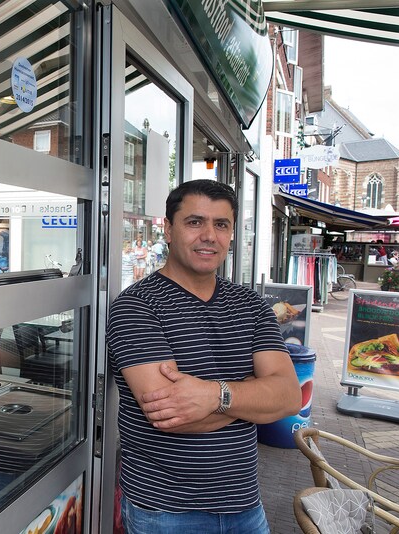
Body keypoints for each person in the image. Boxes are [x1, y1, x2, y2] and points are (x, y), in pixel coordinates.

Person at [106, 179, 301, 534]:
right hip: (165, 511)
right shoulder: (136, 307)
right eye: (195, 222)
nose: (209, 236)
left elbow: (289, 397)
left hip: (245, 504)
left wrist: (214, 395)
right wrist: (252, 393)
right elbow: (171, 414)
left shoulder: (251, 305)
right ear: (168, 229)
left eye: (221, 224)